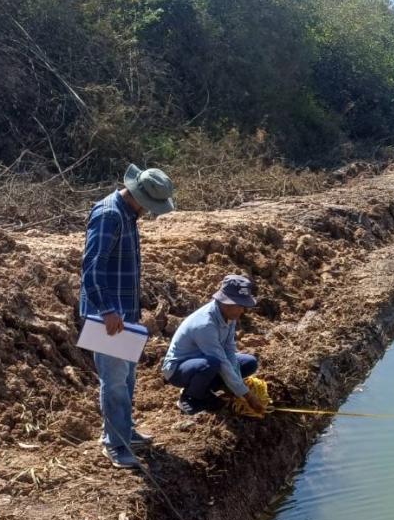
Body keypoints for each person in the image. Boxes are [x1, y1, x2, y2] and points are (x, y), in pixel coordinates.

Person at [80, 164, 176, 468]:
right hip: (109, 315)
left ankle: (124, 431)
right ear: (139, 195)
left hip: (125, 313)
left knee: (127, 377)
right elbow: (92, 267)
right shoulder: (109, 215)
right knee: (115, 381)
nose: (150, 212)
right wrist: (107, 310)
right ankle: (116, 444)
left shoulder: (128, 214)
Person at [162, 274, 267, 416]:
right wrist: (247, 395)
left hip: (209, 360)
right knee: (211, 364)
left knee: (249, 362)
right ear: (226, 303)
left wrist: (237, 387)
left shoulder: (230, 316)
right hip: (179, 369)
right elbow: (221, 361)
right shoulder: (205, 325)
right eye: (240, 305)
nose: (243, 310)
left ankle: (212, 389)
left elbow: (229, 351)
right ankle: (189, 397)